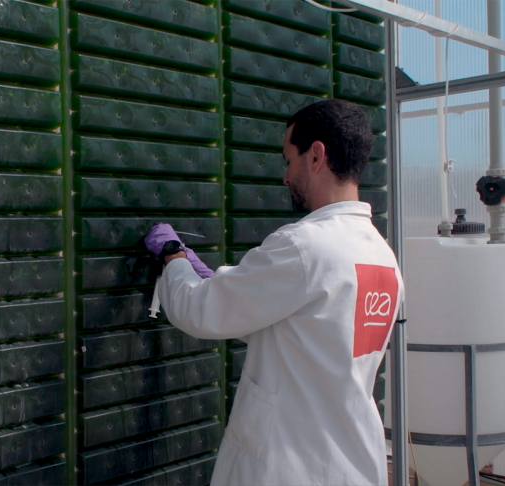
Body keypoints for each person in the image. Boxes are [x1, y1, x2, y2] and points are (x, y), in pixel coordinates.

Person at [144, 99, 404, 485]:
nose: (285, 177)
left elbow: (198, 310)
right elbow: (296, 330)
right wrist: (222, 284)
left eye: (289, 161)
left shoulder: (304, 246)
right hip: (353, 465)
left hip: (290, 466)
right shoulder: (382, 257)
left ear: (315, 156)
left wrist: (173, 256)